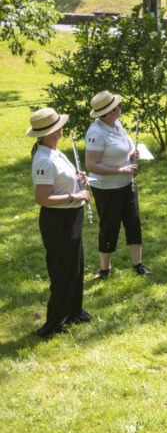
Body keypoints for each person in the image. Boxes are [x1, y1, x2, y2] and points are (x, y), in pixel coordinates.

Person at [28, 108, 92, 339]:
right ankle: (53, 323)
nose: (63, 127)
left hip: (71, 216)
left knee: (76, 266)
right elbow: (42, 199)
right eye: (60, 125)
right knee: (62, 272)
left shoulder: (55, 152)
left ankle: (74, 312)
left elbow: (62, 181)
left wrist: (78, 179)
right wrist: (75, 197)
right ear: (53, 131)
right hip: (57, 221)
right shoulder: (43, 160)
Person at [85, 90, 151, 278]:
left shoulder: (116, 124)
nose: (120, 108)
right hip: (106, 188)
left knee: (133, 222)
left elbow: (127, 146)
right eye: (117, 106)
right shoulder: (96, 133)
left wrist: (133, 154)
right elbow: (91, 164)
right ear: (106, 112)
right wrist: (119, 170)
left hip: (127, 184)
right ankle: (105, 268)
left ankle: (138, 264)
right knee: (110, 225)